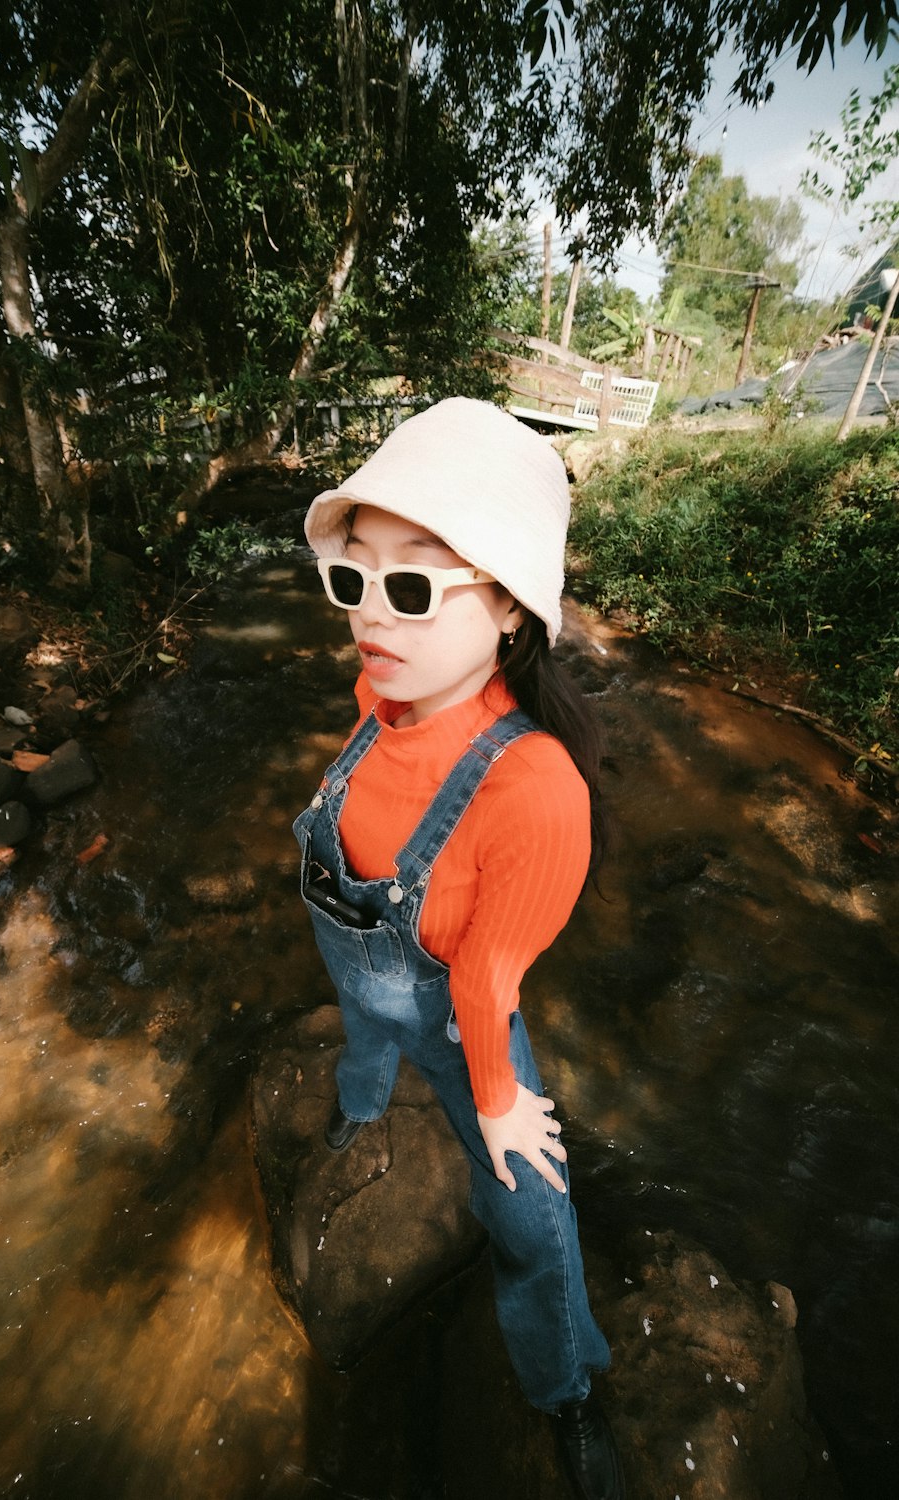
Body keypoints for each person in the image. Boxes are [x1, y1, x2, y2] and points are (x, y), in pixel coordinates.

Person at [293, 397, 624, 1500]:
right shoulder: (379, 691)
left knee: (528, 1203)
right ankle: (355, 1106)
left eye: (413, 584)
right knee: (358, 1040)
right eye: (354, 577)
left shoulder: (534, 792)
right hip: (355, 964)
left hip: (450, 1010)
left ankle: (566, 1383)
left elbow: (486, 976)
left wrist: (494, 1097)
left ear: (512, 614)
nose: (370, 622)